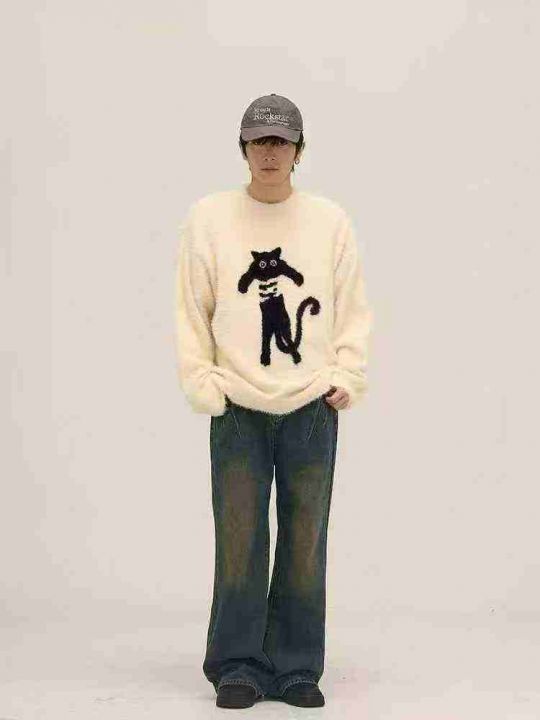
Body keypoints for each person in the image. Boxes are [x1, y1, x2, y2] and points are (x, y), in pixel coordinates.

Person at [175, 93, 373, 709]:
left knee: (304, 538)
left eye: (281, 141)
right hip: (237, 404)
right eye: (259, 140)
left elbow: (352, 305)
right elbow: (192, 307)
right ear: (243, 147)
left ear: (298, 150)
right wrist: (203, 381)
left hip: (312, 405)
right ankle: (236, 663)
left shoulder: (329, 221)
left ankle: (295, 665)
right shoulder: (210, 218)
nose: (270, 151)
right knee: (239, 537)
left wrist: (347, 373)